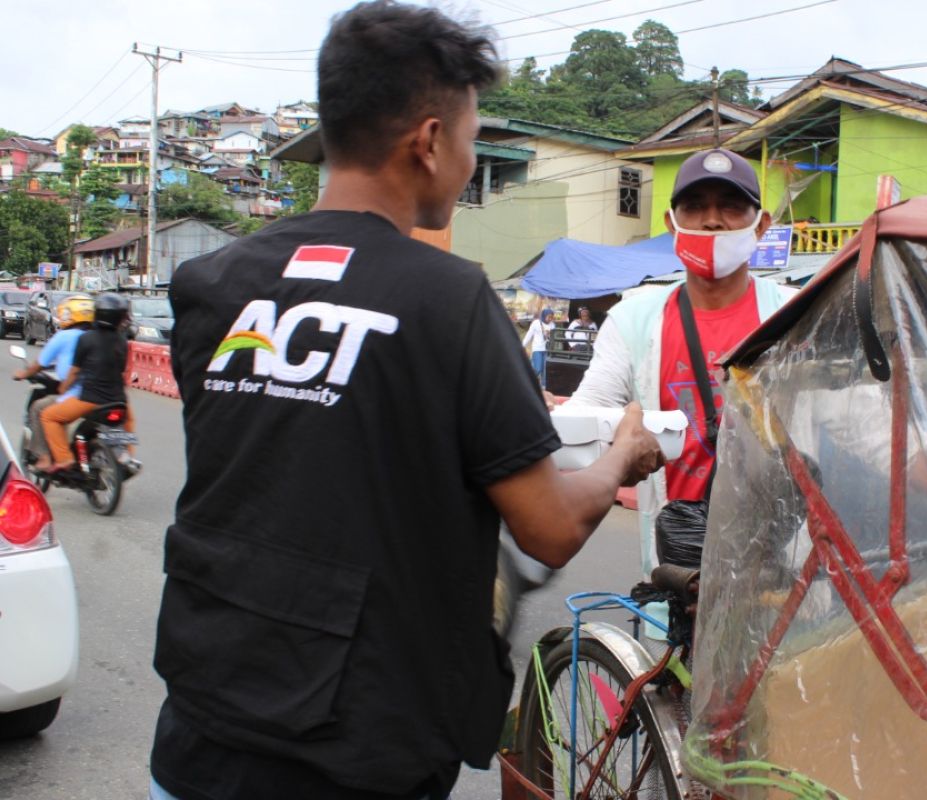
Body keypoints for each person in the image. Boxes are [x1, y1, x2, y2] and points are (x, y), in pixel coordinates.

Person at [147, 4, 663, 800]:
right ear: (427, 141)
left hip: (199, 729)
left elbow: (286, 460)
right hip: (356, 754)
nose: (466, 161)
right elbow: (551, 528)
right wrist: (623, 455)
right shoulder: (446, 299)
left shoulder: (212, 286)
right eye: (469, 139)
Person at [565, 147, 797, 574]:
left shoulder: (796, 315)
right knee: (675, 640)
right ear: (671, 225)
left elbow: (848, 420)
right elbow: (590, 409)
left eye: (730, 206)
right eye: (694, 207)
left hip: (778, 548)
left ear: (761, 225)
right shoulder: (633, 320)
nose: (712, 220)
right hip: (679, 556)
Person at [41, 293, 136, 473]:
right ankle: (127, 456)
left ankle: (64, 459)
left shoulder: (86, 338)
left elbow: (75, 371)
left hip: (89, 399)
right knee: (128, 420)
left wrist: (63, 388)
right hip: (118, 399)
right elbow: (123, 371)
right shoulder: (122, 341)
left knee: (49, 416)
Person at [11, 294, 93, 471]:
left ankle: (45, 457)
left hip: (80, 395)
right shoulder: (99, 336)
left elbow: (41, 363)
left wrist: (24, 374)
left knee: (40, 409)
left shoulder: (64, 336)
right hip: (108, 393)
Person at [522, 307, 555, 385]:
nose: (550, 319)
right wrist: (522, 346)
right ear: (544, 315)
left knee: (545, 370)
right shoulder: (536, 323)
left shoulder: (552, 325)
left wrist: (548, 335)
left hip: (547, 349)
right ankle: (527, 381)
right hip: (537, 349)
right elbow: (529, 335)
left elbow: (553, 338)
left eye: (551, 317)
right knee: (538, 369)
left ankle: (543, 386)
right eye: (549, 317)